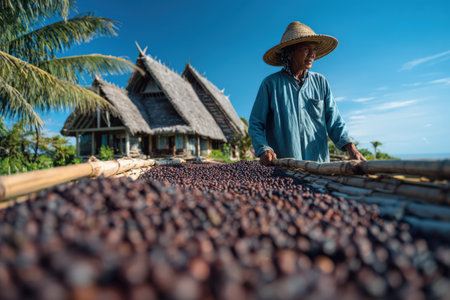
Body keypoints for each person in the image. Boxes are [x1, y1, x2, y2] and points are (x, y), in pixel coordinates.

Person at [249, 21, 366, 166]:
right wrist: (263, 148)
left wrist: (351, 147)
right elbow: (256, 123)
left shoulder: (320, 82)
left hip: (319, 166)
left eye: (314, 49)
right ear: (290, 52)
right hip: (285, 166)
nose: (312, 54)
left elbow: (334, 120)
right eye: (306, 49)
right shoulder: (271, 84)